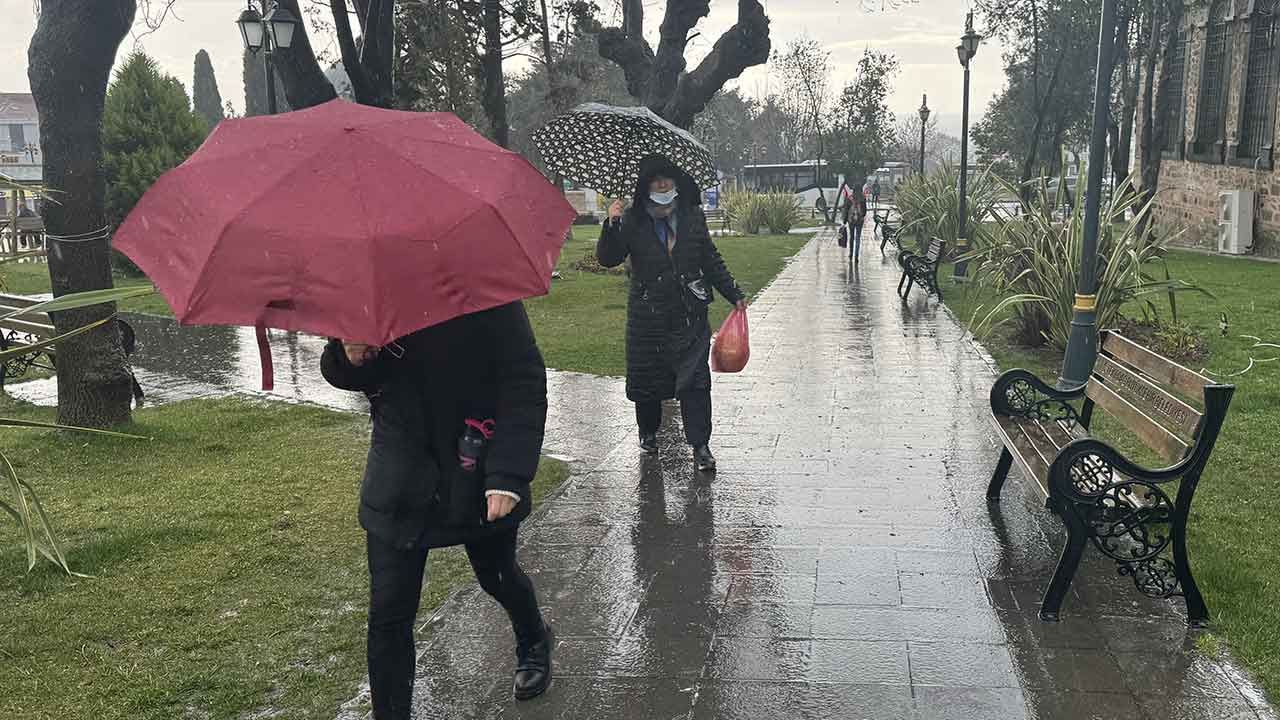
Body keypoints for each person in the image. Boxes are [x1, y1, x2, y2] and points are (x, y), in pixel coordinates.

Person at [320, 302, 553, 718]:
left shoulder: (484, 287)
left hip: (474, 466)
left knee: (497, 577)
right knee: (389, 614)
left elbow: (523, 380)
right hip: (399, 475)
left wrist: (509, 475)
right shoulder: (371, 288)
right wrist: (348, 356)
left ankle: (534, 637)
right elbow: (348, 375)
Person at [597, 154, 746, 472]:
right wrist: (611, 224)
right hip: (647, 315)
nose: (662, 184)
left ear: (678, 183)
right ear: (645, 185)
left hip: (688, 314)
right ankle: (648, 432)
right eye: (655, 179)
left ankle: (700, 445)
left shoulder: (692, 216)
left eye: (667, 178)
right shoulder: (632, 219)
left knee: (696, 382)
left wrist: (733, 293)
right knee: (647, 381)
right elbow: (608, 258)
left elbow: (710, 258)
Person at [843, 181, 868, 263]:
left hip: (851, 221)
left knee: (851, 237)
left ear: (853, 189)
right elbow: (864, 211)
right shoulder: (863, 198)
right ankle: (856, 256)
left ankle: (851, 253)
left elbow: (846, 210)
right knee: (858, 238)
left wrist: (845, 220)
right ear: (860, 190)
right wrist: (861, 216)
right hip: (859, 221)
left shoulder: (850, 198)